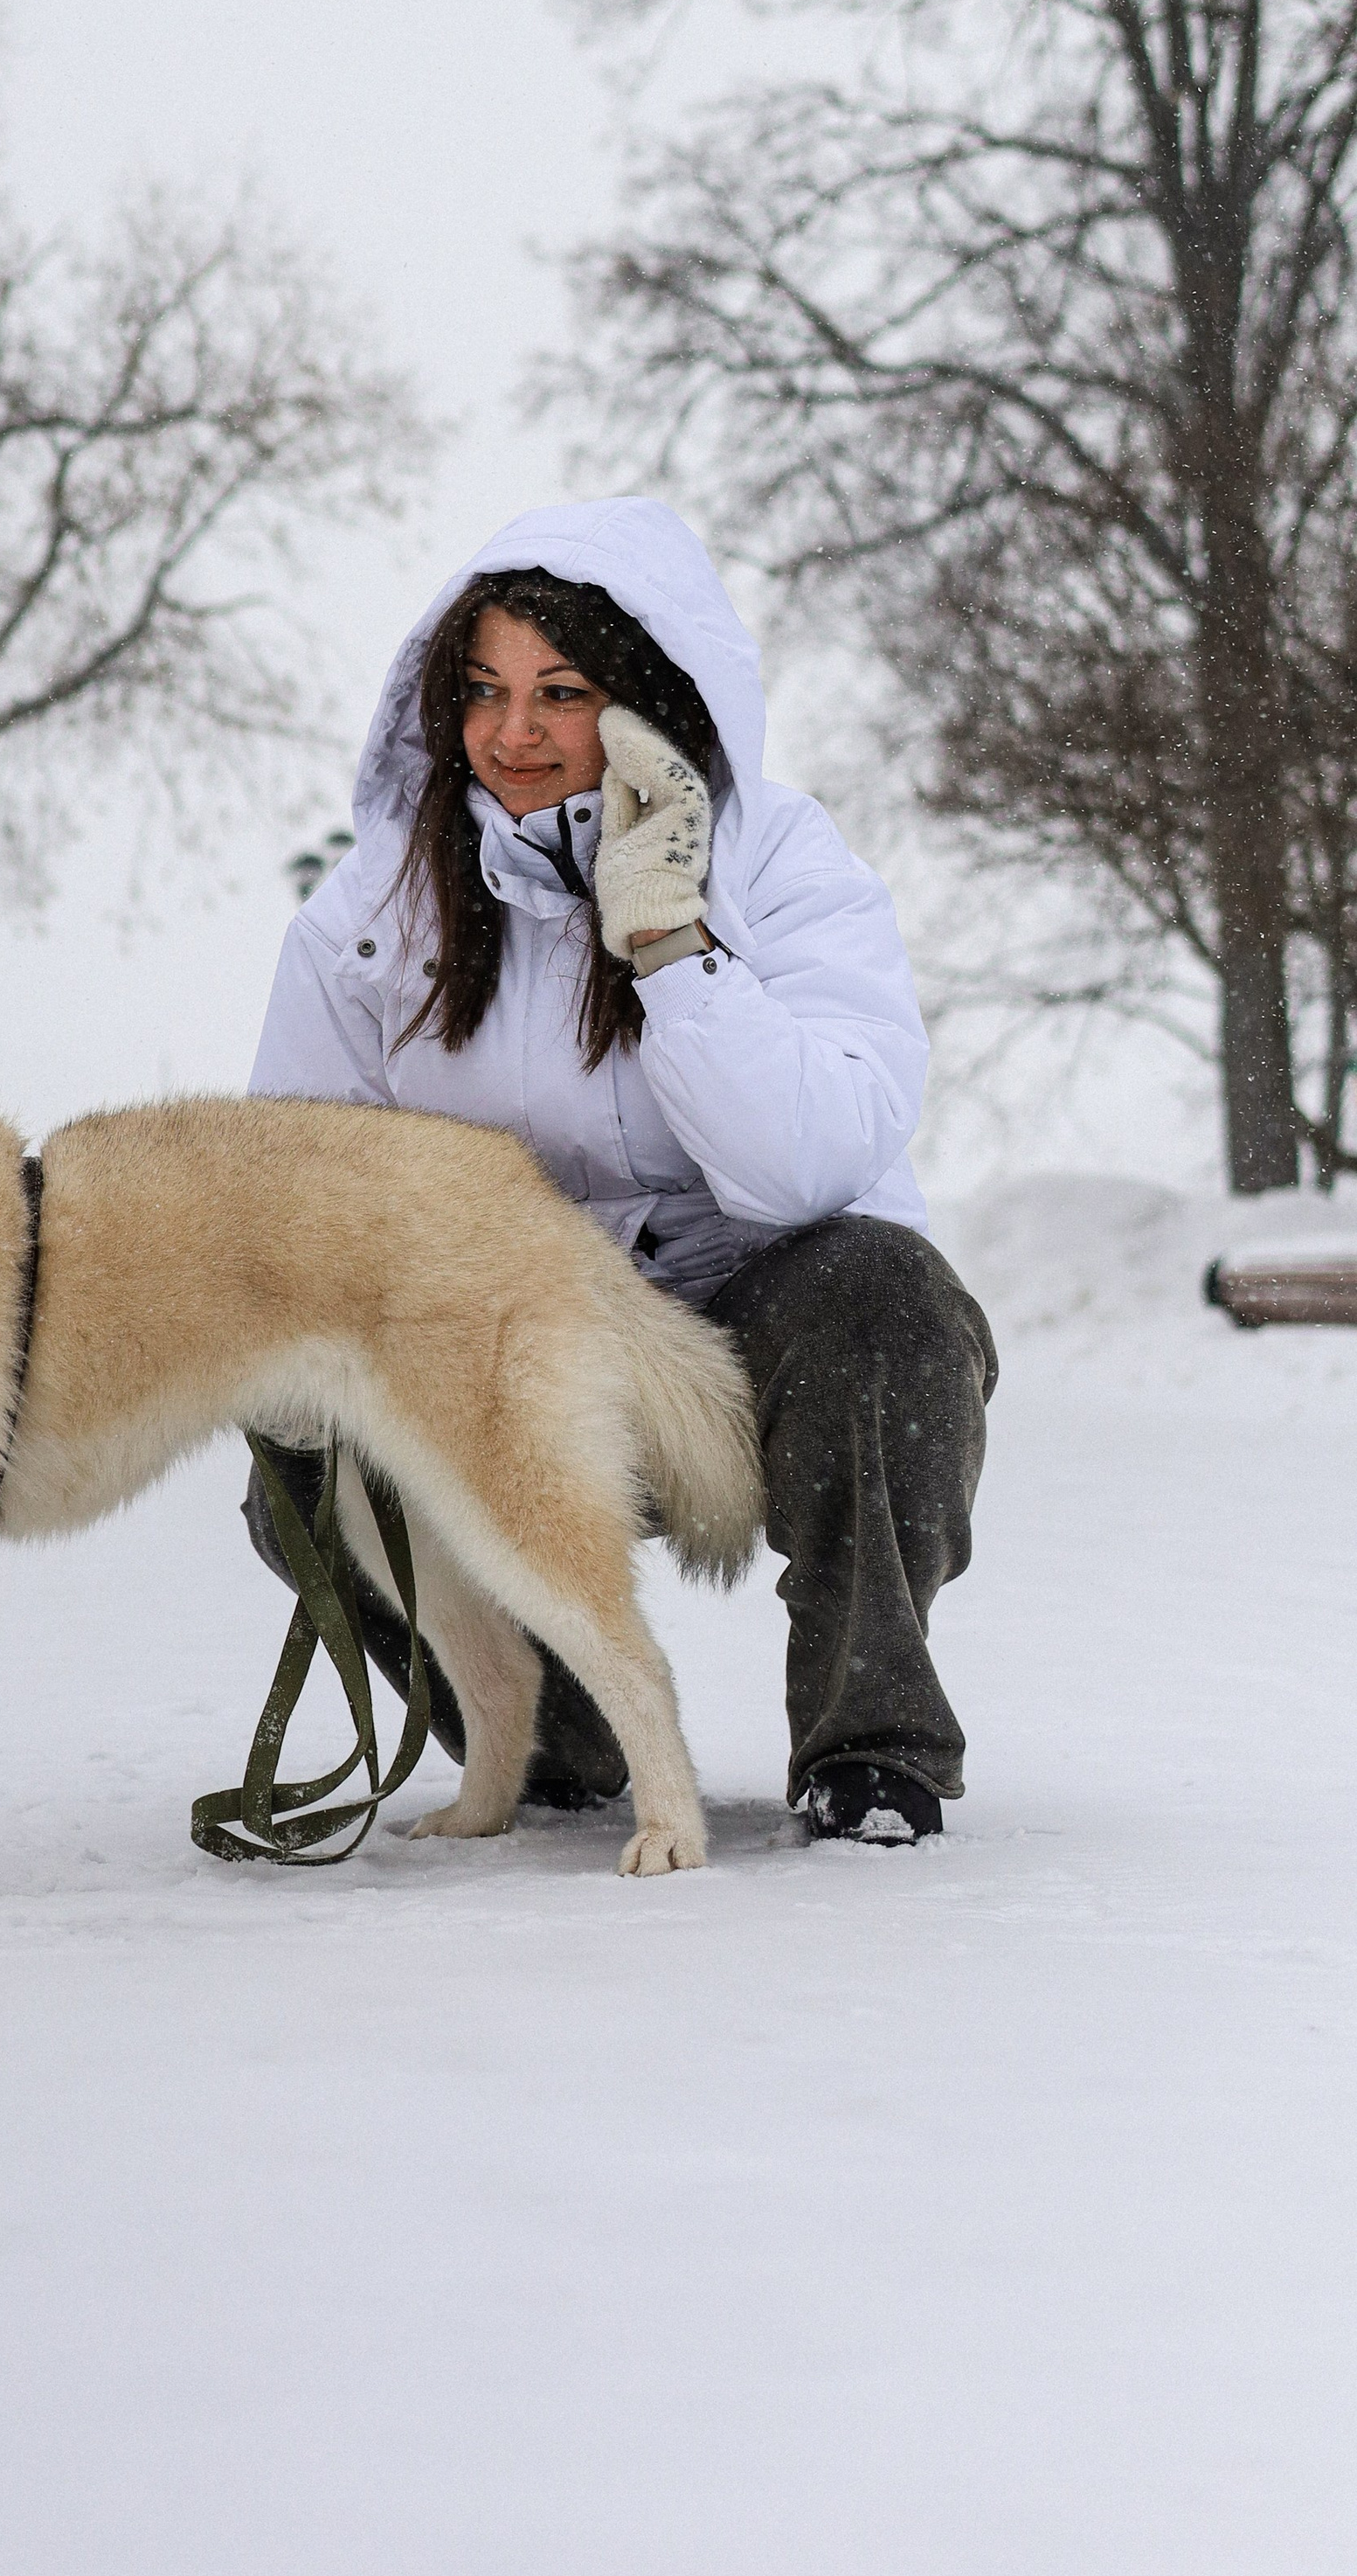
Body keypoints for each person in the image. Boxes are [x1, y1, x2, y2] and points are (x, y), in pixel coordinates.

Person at [245, 499, 995, 1843]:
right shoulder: (372, 915)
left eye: (561, 691)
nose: (512, 733)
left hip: (750, 1333)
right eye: (482, 691)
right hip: (511, 1357)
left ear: (650, 698)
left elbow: (816, 1160)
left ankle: (870, 1748)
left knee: (888, 1294)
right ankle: (549, 1731)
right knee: (302, 1427)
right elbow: (293, 1189)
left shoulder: (787, 867)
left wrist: (673, 945)